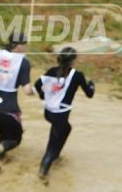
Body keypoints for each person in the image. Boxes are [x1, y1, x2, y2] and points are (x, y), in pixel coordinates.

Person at [33, 47, 96, 178]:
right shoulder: (77, 75)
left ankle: (56, 156)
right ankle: (43, 171)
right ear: (73, 61)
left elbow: (37, 85)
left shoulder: (51, 71)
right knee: (54, 143)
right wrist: (92, 85)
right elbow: (89, 94)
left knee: (65, 129)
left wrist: (42, 95)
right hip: (60, 114)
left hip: (48, 112)